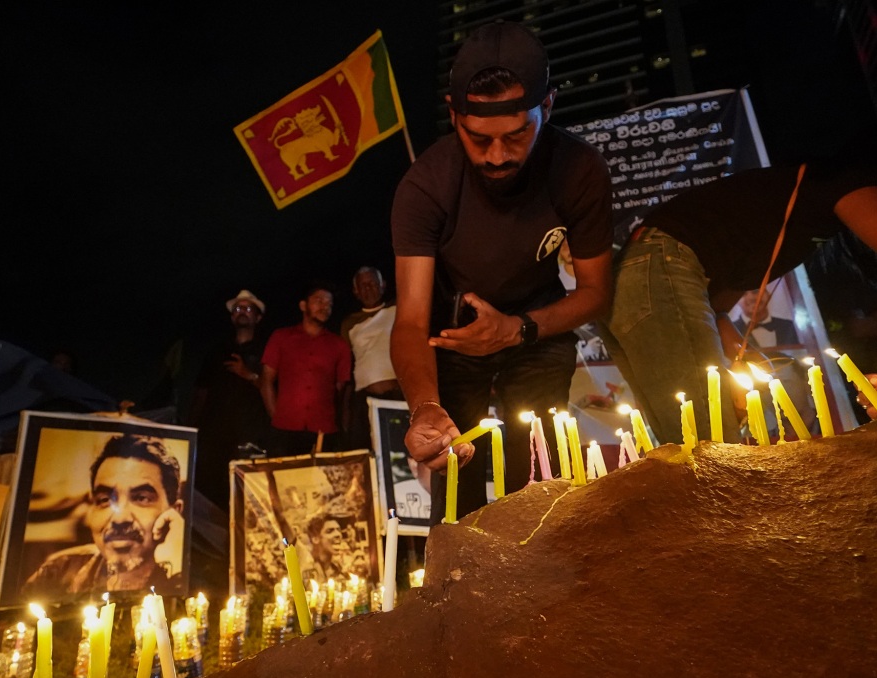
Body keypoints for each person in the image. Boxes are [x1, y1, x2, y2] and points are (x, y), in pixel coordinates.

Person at [606, 120, 877, 445]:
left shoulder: (807, 205)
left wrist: (750, 360)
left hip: (638, 275)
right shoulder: (854, 185)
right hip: (654, 268)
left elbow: (717, 309)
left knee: (686, 437)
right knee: (707, 443)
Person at [390, 21, 614, 523]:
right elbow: (409, 320)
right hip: (453, 337)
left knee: (538, 478)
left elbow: (597, 292)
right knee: (456, 481)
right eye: (478, 138)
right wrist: (424, 407)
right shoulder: (424, 186)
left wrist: (517, 329)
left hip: (537, 326)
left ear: (548, 106)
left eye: (517, 135)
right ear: (454, 116)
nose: (497, 156)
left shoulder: (580, 170)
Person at [24, 434, 185, 599]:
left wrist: (177, 570)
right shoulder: (58, 570)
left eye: (141, 498)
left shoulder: (182, 578)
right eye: (105, 500)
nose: (120, 519)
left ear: (175, 512)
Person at [189, 289, 272, 508]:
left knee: (250, 496)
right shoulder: (218, 351)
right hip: (214, 438)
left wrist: (248, 374)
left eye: (247, 309)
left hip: (251, 435)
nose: (241, 312)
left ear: (258, 317)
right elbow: (201, 390)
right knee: (214, 495)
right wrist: (192, 426)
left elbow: (272, 389)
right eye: (237, 309)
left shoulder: (267, 352)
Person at [260, 283, 352, 456]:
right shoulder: (281, 337)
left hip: (323, 429)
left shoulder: (339, 345)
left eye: (329, 304)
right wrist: (276, 416)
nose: (324, 307)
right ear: (303, 305)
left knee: (317, 482)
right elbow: (266, 381)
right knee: (282, 481)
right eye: (319, 301)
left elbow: (341, 389)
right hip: (284, 428)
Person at [340, 267, 404, 449]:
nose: (368, 289)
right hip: (365, 398)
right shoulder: (349, 323)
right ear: (356, 291)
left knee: (400, 449)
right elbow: (347, 365)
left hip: (399, 394)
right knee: (367, 449)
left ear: (383, 285)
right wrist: (345, 407)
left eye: (372, 283)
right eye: (363, 286)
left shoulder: (399, 309)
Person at [733, 287, 800, 349]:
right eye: (743, 294)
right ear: (735, 301)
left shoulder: (789, 326)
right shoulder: (731, 329)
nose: (751, 298)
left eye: (756, 291)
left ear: (769, 295)